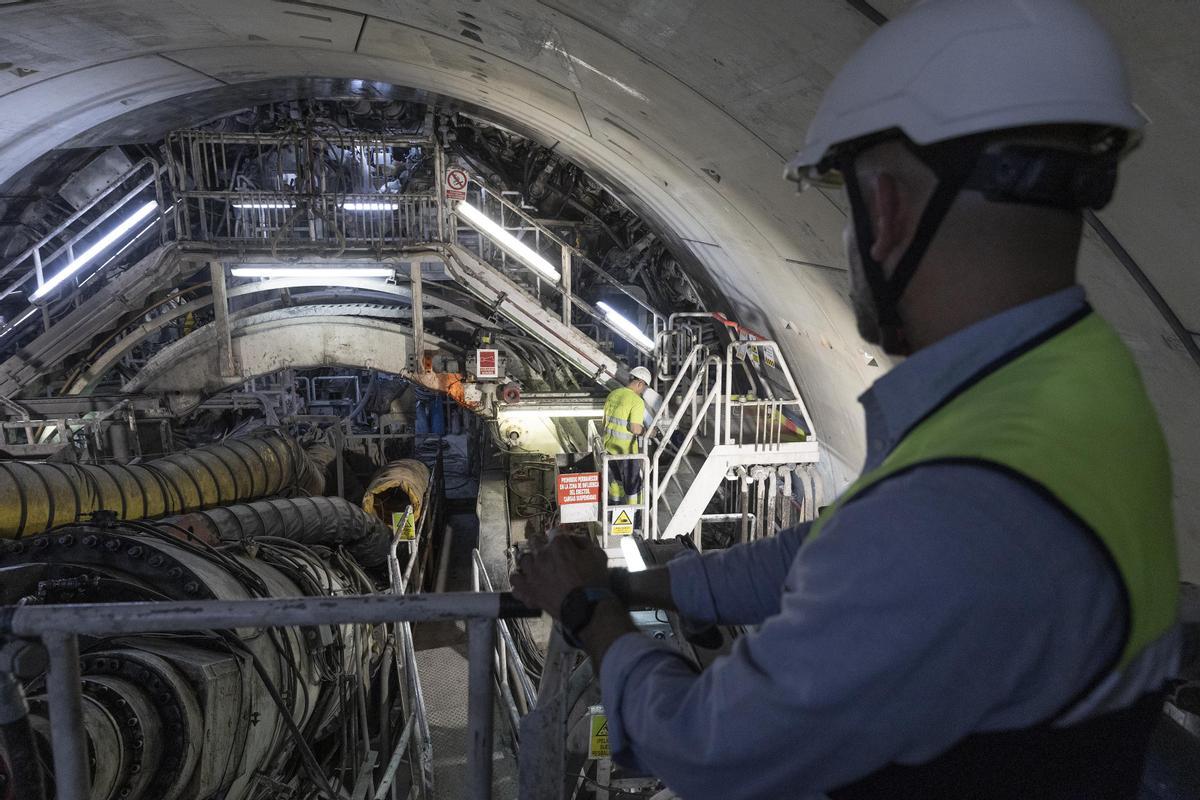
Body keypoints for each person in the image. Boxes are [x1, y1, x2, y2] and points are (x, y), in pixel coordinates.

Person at [510, 1, 1180, 798]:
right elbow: (830, 552)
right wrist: (640, 585)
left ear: (886, 208)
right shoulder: (1080, 394)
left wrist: (591, 618)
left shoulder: (956, 506)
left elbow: (709, 744)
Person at [603, 365, 652, 507]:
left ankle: (614, 516)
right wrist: (649, 432)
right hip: (626, 453)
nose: (642, 391)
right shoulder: (636, 401)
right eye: (644, 388)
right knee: (633, 488)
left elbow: (604, 422)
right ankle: (635, 520)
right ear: (640, 383)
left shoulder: (613, 394)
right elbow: (635, 428)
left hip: (609, 449)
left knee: (616, 484)